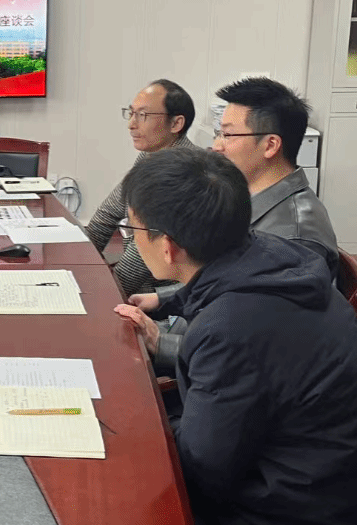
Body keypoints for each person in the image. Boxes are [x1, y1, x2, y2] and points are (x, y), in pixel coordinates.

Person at [114, 147, 357, 525]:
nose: (129, 240)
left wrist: (126, 428)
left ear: (168, 246)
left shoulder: (231, 329)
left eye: (131, 230)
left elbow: (203, 475)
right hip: (303, 493)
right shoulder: (276, 254)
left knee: (105, 519)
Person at [130, 78, 338, 368]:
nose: (216, 146)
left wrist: (160, 342)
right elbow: (224, 278)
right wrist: (163, 300)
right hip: (193, 330)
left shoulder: (294, 239)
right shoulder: (247, 198)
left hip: (207, 362)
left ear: (270, 145)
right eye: (219, 133)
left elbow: (256, 346)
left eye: (228, 135)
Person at [85, 79, 196, 298]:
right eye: (131, 113)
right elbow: (108, 212)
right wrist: (81, 259)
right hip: (145, 284)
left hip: (165, 296)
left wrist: (104, 296)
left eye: (143, 115)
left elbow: (142, 254)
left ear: (176, 123)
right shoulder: (151, 156)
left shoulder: (183, 172)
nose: (131, 124)